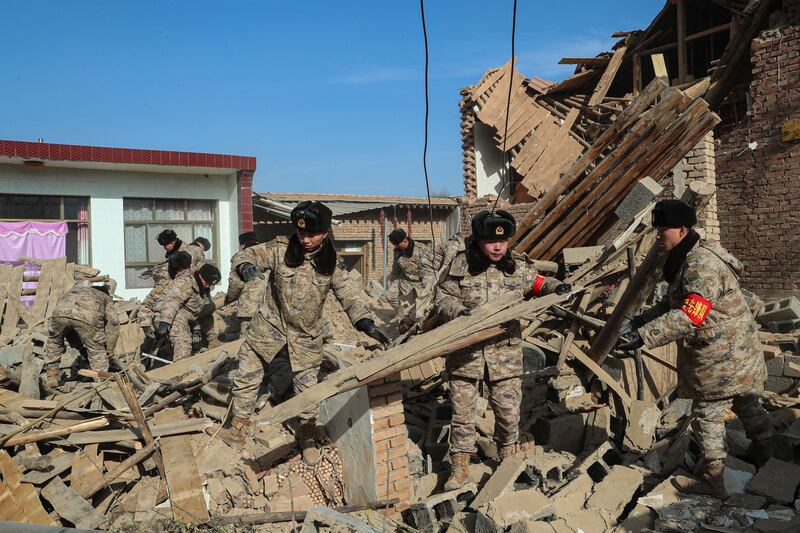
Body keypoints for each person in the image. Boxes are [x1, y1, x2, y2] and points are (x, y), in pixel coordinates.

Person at [618, 199, 773, 499]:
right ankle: (769, 458)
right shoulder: (688, 255)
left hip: (721, 357)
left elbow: (691, 315)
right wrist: (640, 321)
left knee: (707, 417)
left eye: (662, 230)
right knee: (747, 404)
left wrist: (644, 337)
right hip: (734, 352)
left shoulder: (700, 265)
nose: (657, 236)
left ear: (682, 229)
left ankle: (713, 481)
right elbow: (673, 302)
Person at [218, 200, 391, 463]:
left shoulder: (331, 262)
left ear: (324, 233)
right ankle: (238, 428)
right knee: (246, 378)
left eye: (311, 234)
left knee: (307, 390)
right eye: (301, 234)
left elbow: (349, 296)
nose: (305, 239)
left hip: (306, 337)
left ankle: (307, 435)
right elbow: (247, 254)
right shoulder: (279, 250)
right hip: (268, 328)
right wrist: (245, 267)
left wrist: (365, 323)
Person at [435, 210, 571, 490]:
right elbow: (442, 298)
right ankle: (460, 467)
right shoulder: (461, 265)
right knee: (463, 414)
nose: (498, 247)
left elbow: (539, 284)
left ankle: (506, 459)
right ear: (478, 240)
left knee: (508, 413)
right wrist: (459, 312)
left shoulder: (516, 265)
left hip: (504, 356)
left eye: (504, 241)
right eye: (490, 241)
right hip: (466, 355)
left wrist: (558, 287)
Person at [43, 282, 120, 387]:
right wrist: (110, 348)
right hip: (87, 318)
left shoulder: (75, 290)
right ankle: (100, 381)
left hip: (59, 314)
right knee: (96, 350)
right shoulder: (105, 296)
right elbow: (113, 324)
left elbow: (71, 325)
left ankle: (51, 377)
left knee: (54, 343)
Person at [153, 252, 221, 361]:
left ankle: (212, 341)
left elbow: (202, 310)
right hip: (172, 314)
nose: (208, 286)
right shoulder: (185, 282)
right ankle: (181, 368)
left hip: (189, 314)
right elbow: (172, 300)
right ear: (201, 276)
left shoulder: (204, 287)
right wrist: (165, 320)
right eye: (207, 283)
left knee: (208, 309)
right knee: (183, 341)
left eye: (211, 284)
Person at [386, 228, 435, 329]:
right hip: (405, 280)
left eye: (398, 244)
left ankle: (414, 325)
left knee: (420, 311)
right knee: (389, 295)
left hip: (420, 282)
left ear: (405, 240)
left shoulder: (421, 249)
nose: (397, 247)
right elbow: (396, 266)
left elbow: (430, 267)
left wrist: (428, 284)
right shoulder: (398, 251)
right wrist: (392, 279)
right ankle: (401, 313)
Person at [224, 231, 265, 328]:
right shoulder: (268, 253)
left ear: (242, 244)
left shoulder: (242, 255)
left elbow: (236, 284)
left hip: (250, 307)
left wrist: (229, 298)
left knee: (248, 338)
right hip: (271, 307)